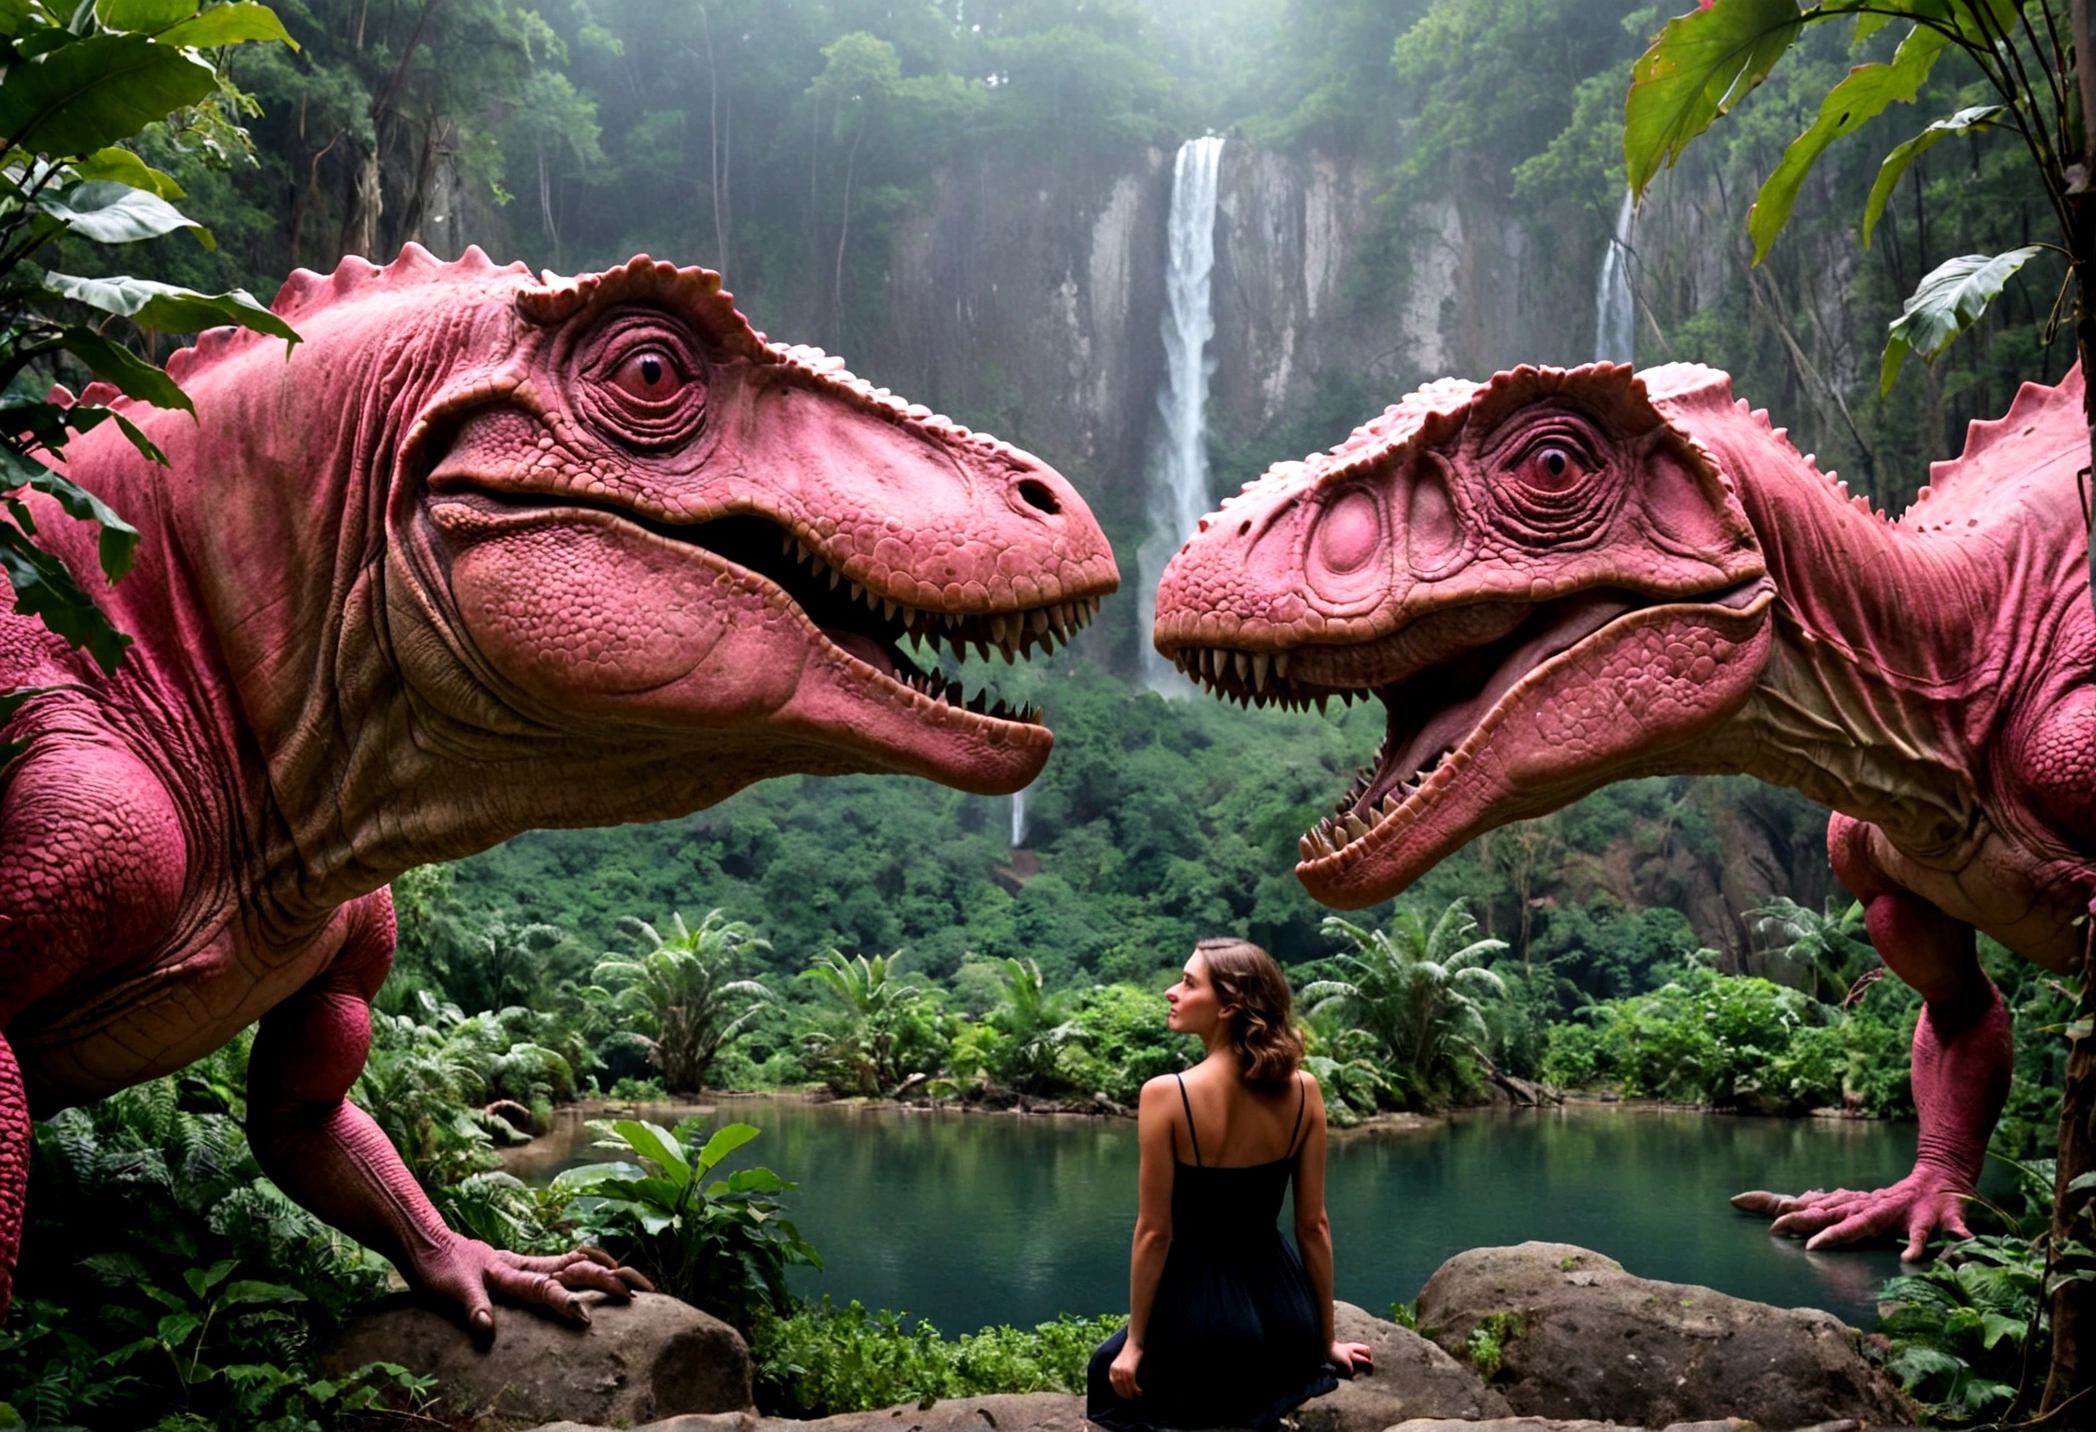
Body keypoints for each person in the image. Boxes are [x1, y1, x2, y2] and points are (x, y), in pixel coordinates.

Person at [1087, 937, 1373, 1432]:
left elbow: (1154, 1234)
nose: (1171, 992)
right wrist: (1323, 1341)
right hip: (1286, 1315)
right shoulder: (1305, 1091)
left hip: (1206, 1322)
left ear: (1230, 1005)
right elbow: (1314, 1227)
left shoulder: (1166, 1095)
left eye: (1189, 983)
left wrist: (1136, 1343)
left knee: (1104, 1373)